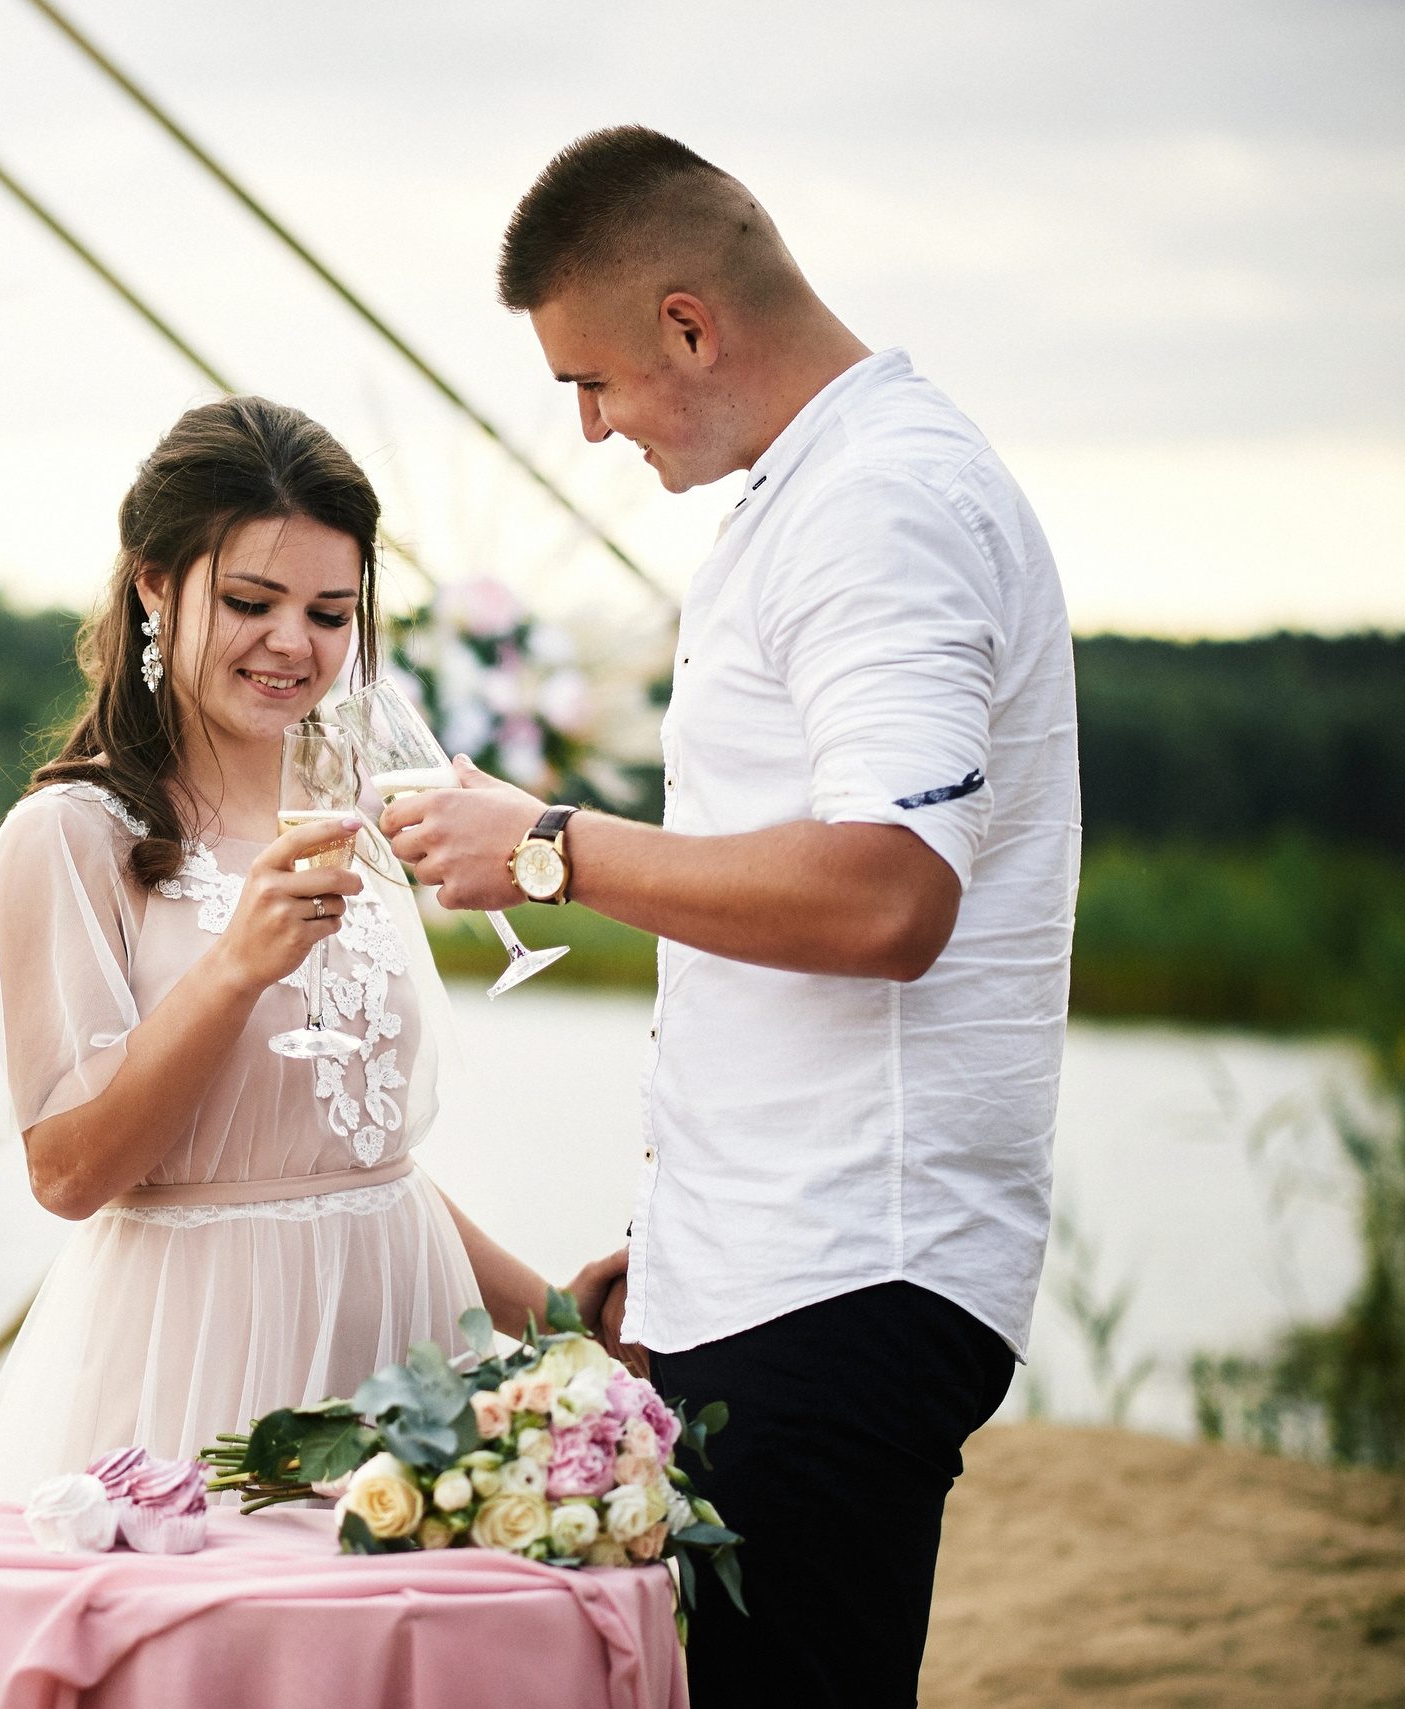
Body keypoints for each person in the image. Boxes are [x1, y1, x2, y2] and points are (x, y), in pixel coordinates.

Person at [385, 128, 1079, 1705]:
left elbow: (889, 892)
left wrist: (549, 847)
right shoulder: (826, 492)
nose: (589, 426)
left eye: (592, 381)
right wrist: (690, 1250)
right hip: (787, 1263)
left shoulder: (883, 504)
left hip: (850, 1278)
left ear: (689, 325)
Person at [0, 395, 550, 1510]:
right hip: (201, 1356)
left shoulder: (352, 820)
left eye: (329, 611)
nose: (293, 643)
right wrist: (232, 968)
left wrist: (554, 1317)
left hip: (404, 1352)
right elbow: (67, 1173)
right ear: (155, 585)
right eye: (250, 601)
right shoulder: (72, 838)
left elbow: (354, 1164)